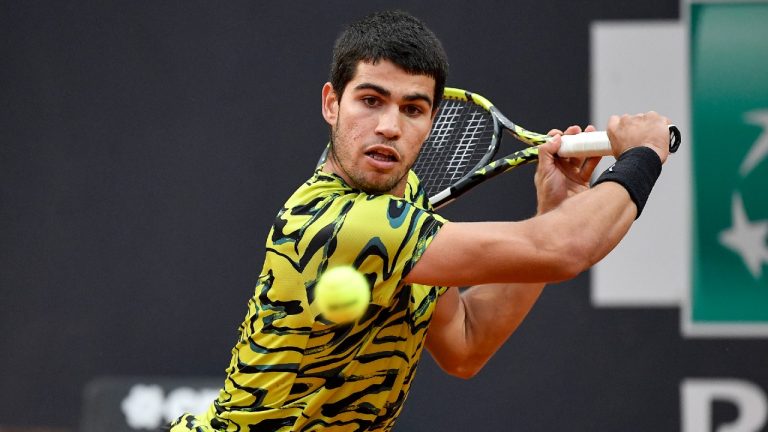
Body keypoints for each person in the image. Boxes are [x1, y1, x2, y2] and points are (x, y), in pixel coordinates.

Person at [170, 10, 673, 432]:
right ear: (331, 103)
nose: (389, 126)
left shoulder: (407, 200)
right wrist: (644, 155)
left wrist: (555, 209)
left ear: (431, 120)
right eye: (370, 100)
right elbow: (564, 249)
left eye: (412, 108)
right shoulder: (338, 223)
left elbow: (466, 346)